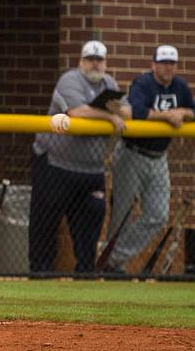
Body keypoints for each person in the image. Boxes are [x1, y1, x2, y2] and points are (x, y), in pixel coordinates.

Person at [29, 40, 126, 273]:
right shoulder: (70, 79)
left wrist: (115, 113)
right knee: (46, 220)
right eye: (90, 59)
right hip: (55, 163)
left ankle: (85, 274)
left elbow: (127, 111)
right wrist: (110, 116)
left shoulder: (109, 83)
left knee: (91, 221)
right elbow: (77, 112)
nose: (95, 64)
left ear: (105, 63)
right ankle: (40, 273)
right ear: (81, 61)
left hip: (91, 169)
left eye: (99, 60)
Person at [104, 45, 193, 273]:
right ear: (153, 64)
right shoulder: (144, 83)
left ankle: (114, 259)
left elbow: (193, 110)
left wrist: (182, 113)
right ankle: (114, 265)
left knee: (158, 214)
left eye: (172, 63)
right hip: (132, 154)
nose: (167, 67)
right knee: (122, 213)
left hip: (159, 158)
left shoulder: (180, 87)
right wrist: (167, 116)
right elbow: (137, 111)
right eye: (163, 63)